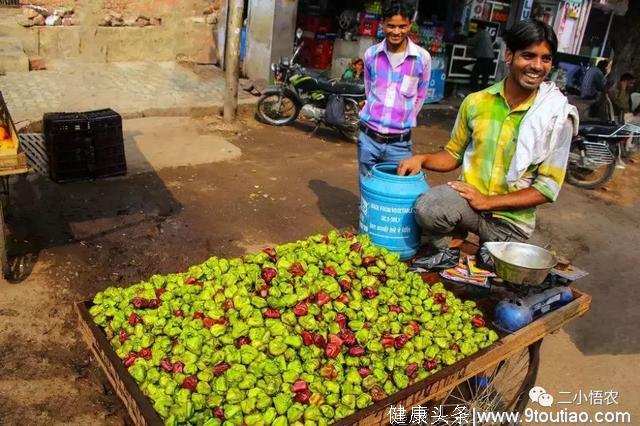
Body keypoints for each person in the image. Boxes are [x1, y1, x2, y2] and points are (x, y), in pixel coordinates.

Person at [398, 19, 578, 250]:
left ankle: (481, 245)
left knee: (527, 270)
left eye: (546, 58)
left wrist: (488, 202)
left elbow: (547, 188)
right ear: (509, 56)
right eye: (528, 55)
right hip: (468, 206)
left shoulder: (558, 116)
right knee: (429, 208)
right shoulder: (476, 102)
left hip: (511, 222)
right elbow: (453, 154)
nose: (537, 66)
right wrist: (421, 159)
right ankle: (455, 237)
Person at [358, 0, 431, 182]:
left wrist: (403, 120)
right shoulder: (371, 55)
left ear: (410, 25)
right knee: (367, 187)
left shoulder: (422, 59)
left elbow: (420, 96)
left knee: (398, 190)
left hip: (400, 144)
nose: (396, 32)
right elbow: (369, 89)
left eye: (402, 26)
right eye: (391, 26)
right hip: (368, 139)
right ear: (383, 24)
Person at [468, 22, 495, 90]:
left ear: (479, 28)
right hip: (490, 58)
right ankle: (483, 90)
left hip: (483, 58)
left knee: (475, 74)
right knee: (485, 76)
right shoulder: (487, 34)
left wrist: (464, 39)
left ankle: (474, 89)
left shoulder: (480, 33)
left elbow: (471, 42)